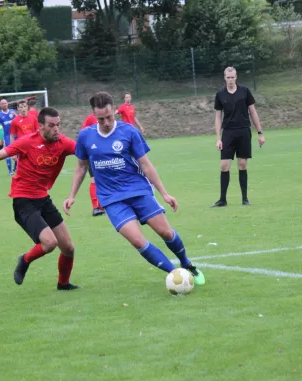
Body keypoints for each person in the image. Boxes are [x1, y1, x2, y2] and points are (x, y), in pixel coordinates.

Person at [64, 92, 205, 285]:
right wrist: (72, 195)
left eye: (109, 117)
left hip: (138, 191)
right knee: (138, 241)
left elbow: (146, 164)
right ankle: (177, 275)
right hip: (111, 198)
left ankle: (186, 264)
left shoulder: (129, 132)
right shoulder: (86, 136)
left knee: (166, 233)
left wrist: (164, 193)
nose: (105, 122)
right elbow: (81, 166)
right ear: (93, 115)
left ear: (115, 110)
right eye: (101, 118)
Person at [0, 108, 79, 290]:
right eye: (51, 126)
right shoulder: (27, 142)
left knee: (68, 248)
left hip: (43, 199)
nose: (56, 129)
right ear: (41, 125)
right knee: (50, 243)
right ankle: (24, 260)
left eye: (58, 125)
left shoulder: (63, 143)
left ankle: (63, 284)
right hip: (23, 201)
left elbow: (85, 151)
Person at [210, 67, 265, 207]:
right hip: (228, 133)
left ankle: (245, 199)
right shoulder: (220, 94)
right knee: (224, 165)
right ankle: (222, 200)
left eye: (232, 77)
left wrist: (260, 133)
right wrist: (218, 138)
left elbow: (253, 112)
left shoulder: (244, 91)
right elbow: (218, 117)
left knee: (242, 164)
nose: (230, 80)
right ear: (224, 78)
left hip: (244, 132)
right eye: (228, 78)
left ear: (236, 77)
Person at [81, 113, 105, 217]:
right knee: (94, 179)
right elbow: (83, 133)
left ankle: (102, 205)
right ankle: (95, 207)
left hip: (105, 153)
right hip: (93, 153)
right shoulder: (90, 118)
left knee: (104, 179)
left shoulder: (106, 118)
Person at [0, 100, 17, 174]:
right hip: (7, 136)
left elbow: (19, 120)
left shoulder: (13, 112)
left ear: (8, 104)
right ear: (0, 105)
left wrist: (15, 115)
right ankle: (10, 171)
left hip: (16, 135)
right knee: (8, 153)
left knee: (19, 152)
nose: (4, 105)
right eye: (2, 104)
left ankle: (15, 168)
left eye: (5, 103)